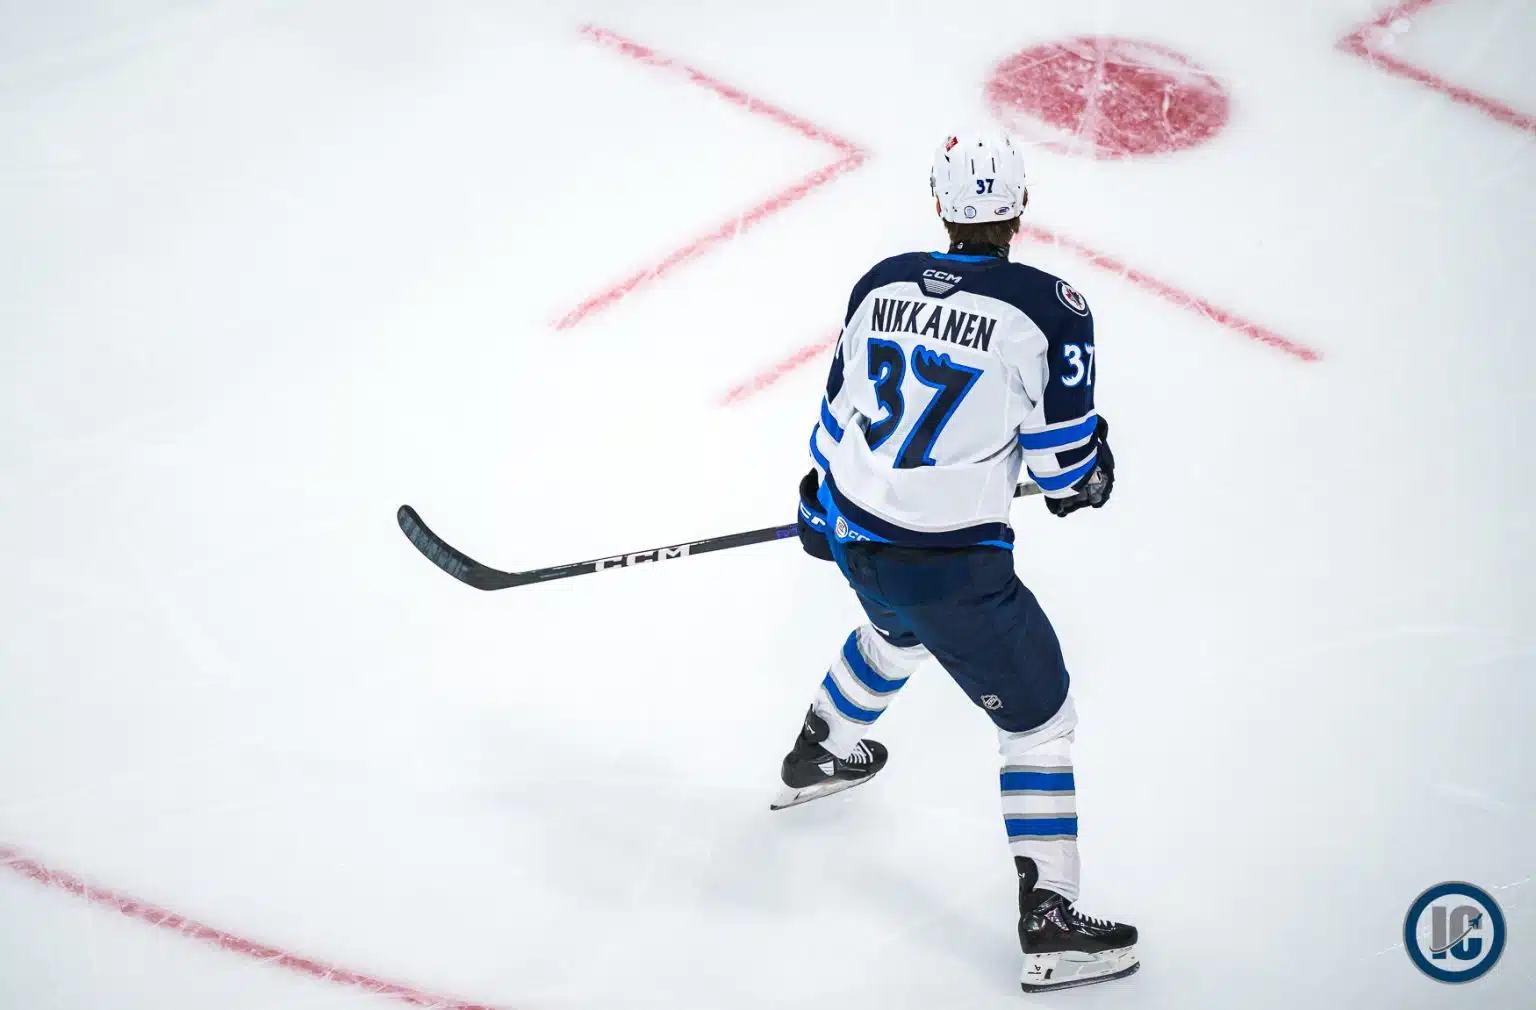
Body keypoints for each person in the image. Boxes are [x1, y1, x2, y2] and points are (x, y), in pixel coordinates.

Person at [774, 133, 1138, 993]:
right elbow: (1062, 471)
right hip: (953, 567)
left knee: (896, 631)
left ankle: (820, 749)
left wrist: (816, 503)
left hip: (860, 538)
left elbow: (834, 422)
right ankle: (1051, 920)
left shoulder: (882, 283)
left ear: (939, 204)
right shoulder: (1050, 308)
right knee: (1039, 723)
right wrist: (1090, 476)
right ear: (1021, 206)